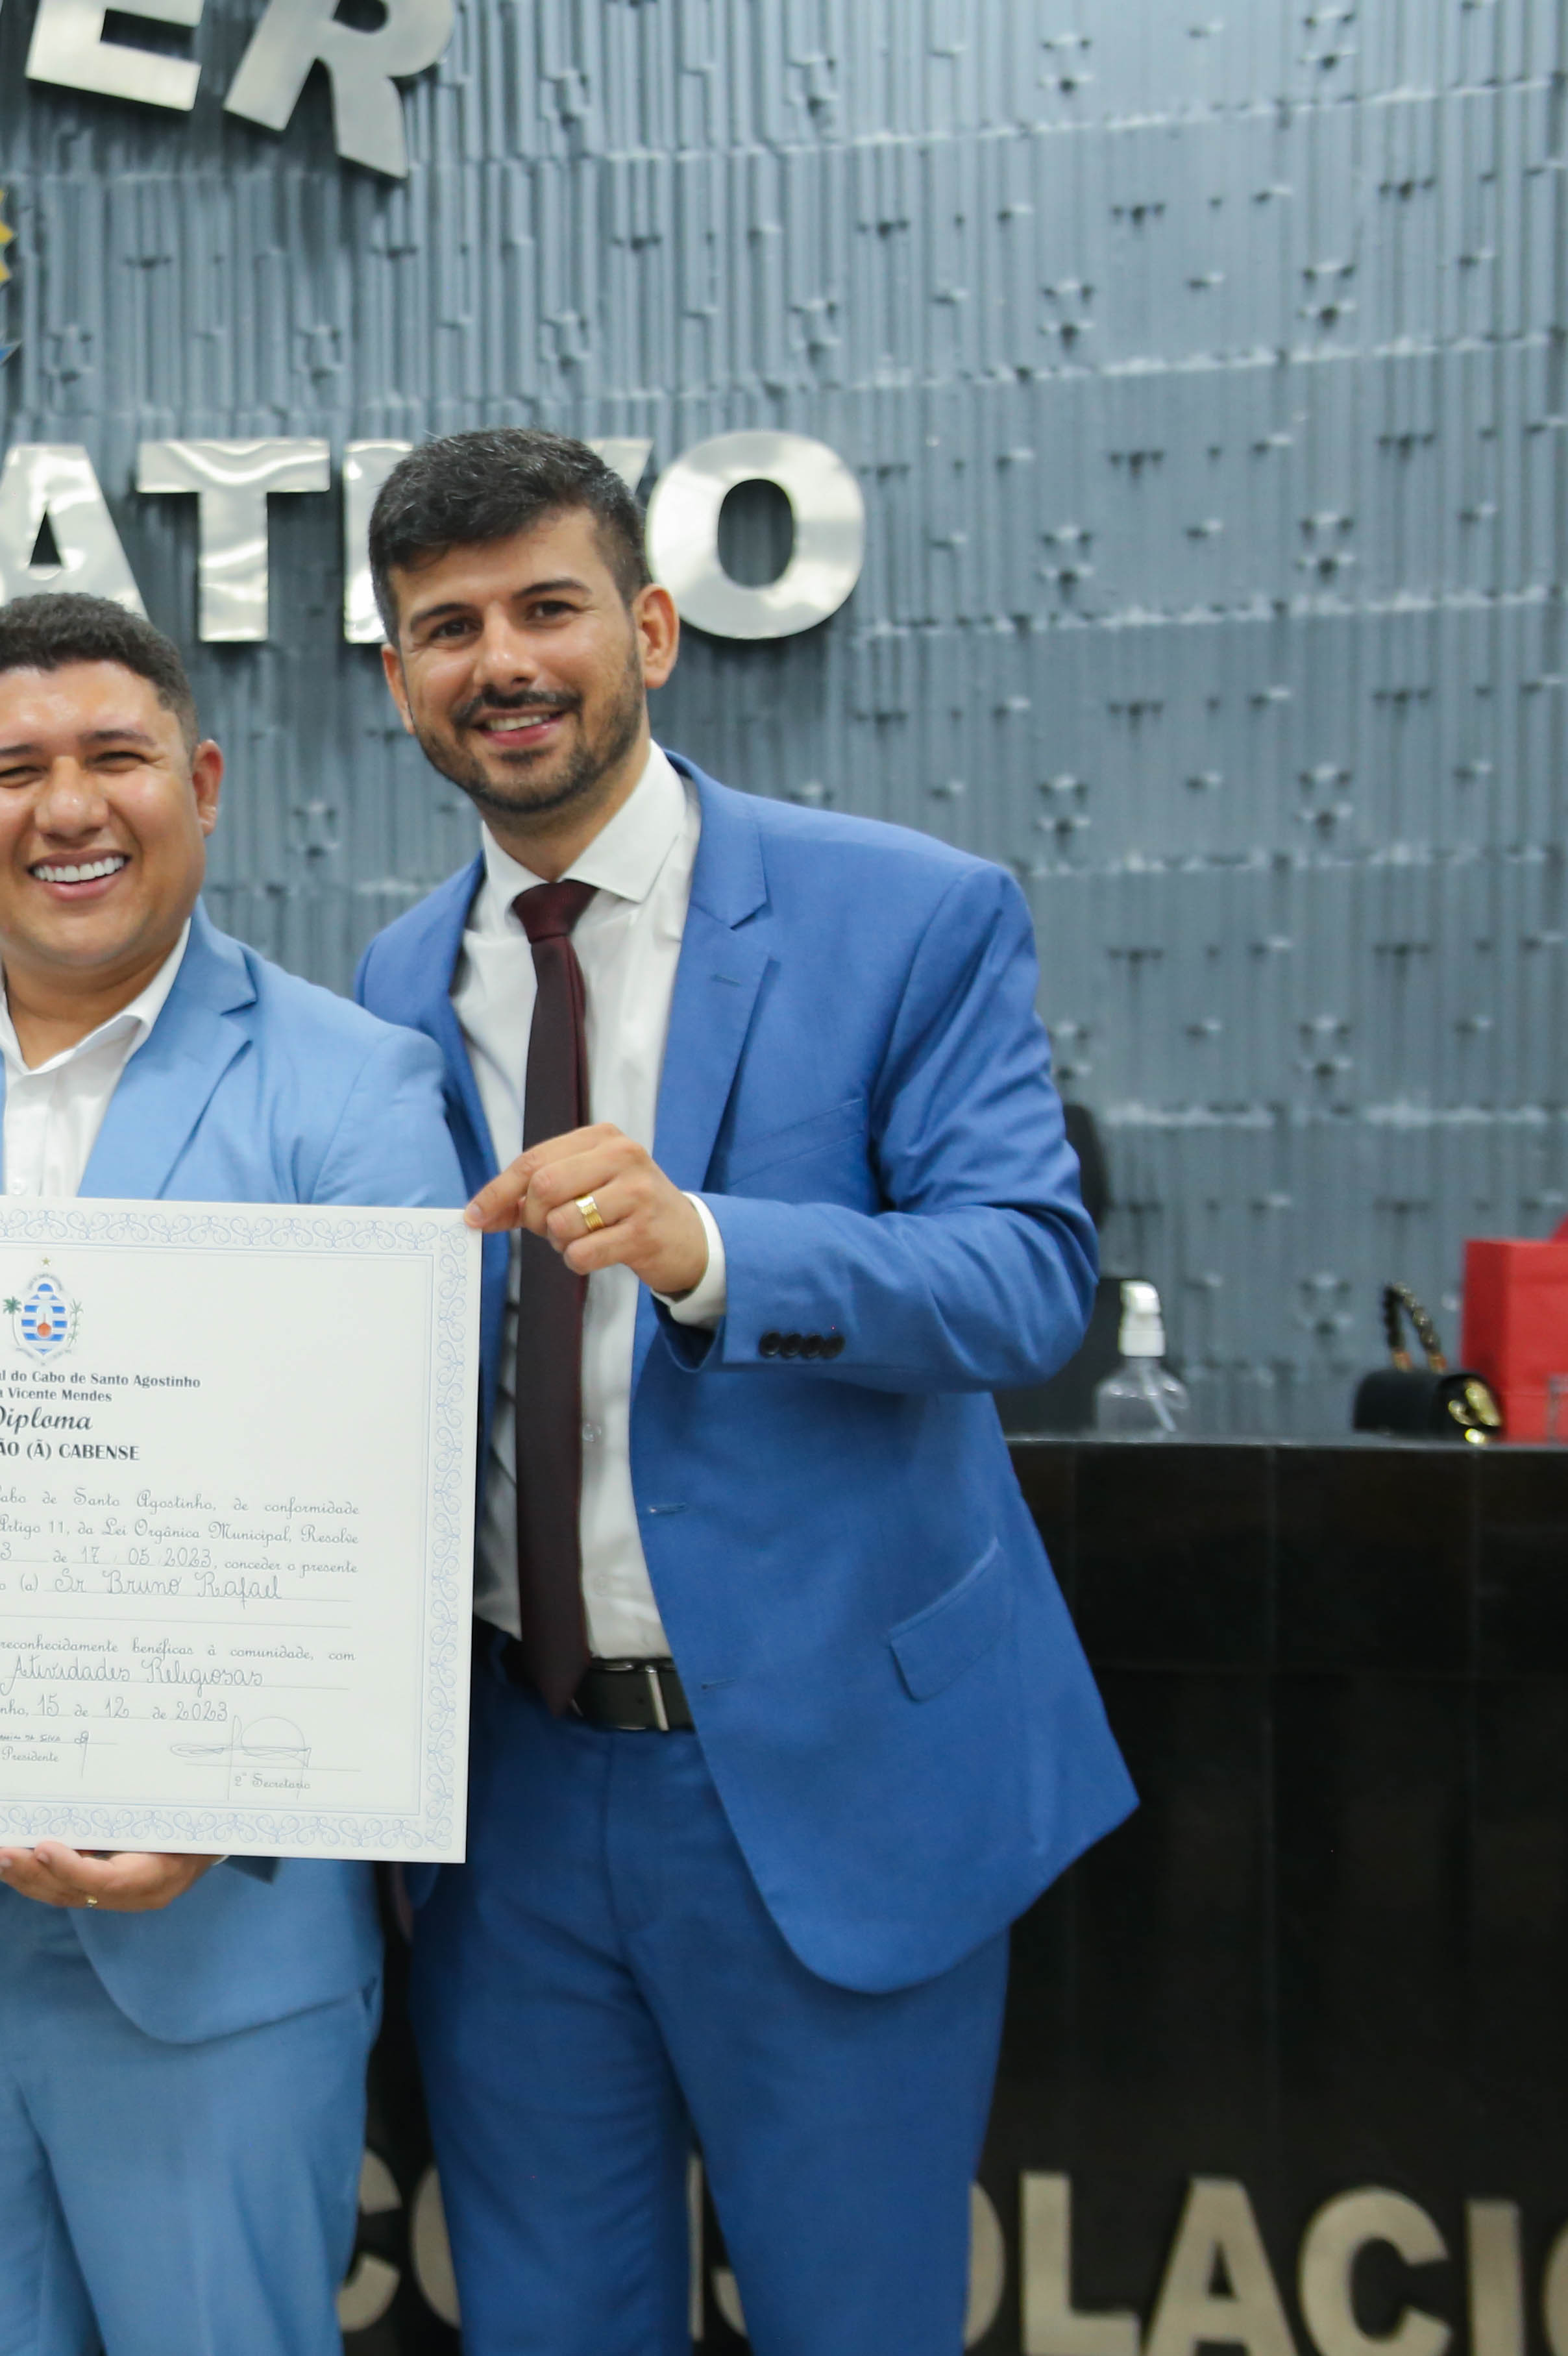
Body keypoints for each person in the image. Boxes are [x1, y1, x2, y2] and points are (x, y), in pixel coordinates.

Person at [346, 428, 1134, 2353]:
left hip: (823, 1773)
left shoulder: (909, 911)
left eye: (548, 606)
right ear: (395, 678)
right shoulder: (389, 978)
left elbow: (1034, 1276)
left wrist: (714, 1244)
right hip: (511, 1790)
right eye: (448, 627)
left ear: (655, 625)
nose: (502, 660)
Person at [0, 595, 466, 2356]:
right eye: (16, 768)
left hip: (206, 1915)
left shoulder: (359, 1081)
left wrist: (228, 1798)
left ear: (202, 781)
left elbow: (401, 1490)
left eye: (117, 758)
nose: (69, 806)